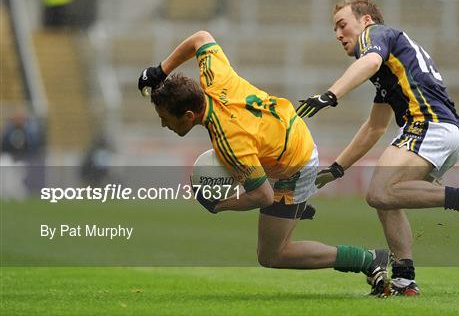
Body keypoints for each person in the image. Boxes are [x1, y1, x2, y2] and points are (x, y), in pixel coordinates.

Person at [138, 30, 390, 296]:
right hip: (289, 133)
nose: (164, 124)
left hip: (295, 166)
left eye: (165, 118)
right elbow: (201, 37)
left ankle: (368, 259)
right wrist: (160, 70)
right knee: (260, 188)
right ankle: (297, 209)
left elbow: (262, 195)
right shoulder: (215, 78)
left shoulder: (230, 142)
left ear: (189, 115)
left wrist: (218, 205)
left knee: (273, 255)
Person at [296, 0, 459, 296]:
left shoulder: (375, 35)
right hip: (445, 131)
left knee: (378, 192)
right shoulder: (390, 65)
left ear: (365, 20)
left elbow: (371, 61)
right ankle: (404, 280)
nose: (338, 34)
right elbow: (375, 126)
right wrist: (337, 168)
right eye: (334, 29)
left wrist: (330, 94)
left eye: (342, 25)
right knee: (386, 199)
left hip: (427, 124)